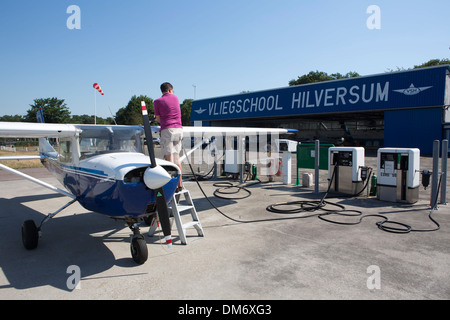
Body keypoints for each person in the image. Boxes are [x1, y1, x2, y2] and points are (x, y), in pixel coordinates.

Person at [153, 82, 184, 192]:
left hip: (168, 130)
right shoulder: (175, 98)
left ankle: (173, 186)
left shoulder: (157, 101)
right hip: (179, 130)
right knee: (177, 159)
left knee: (169, 160)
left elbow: (158, 118)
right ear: (170, 90)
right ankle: (179, 185)